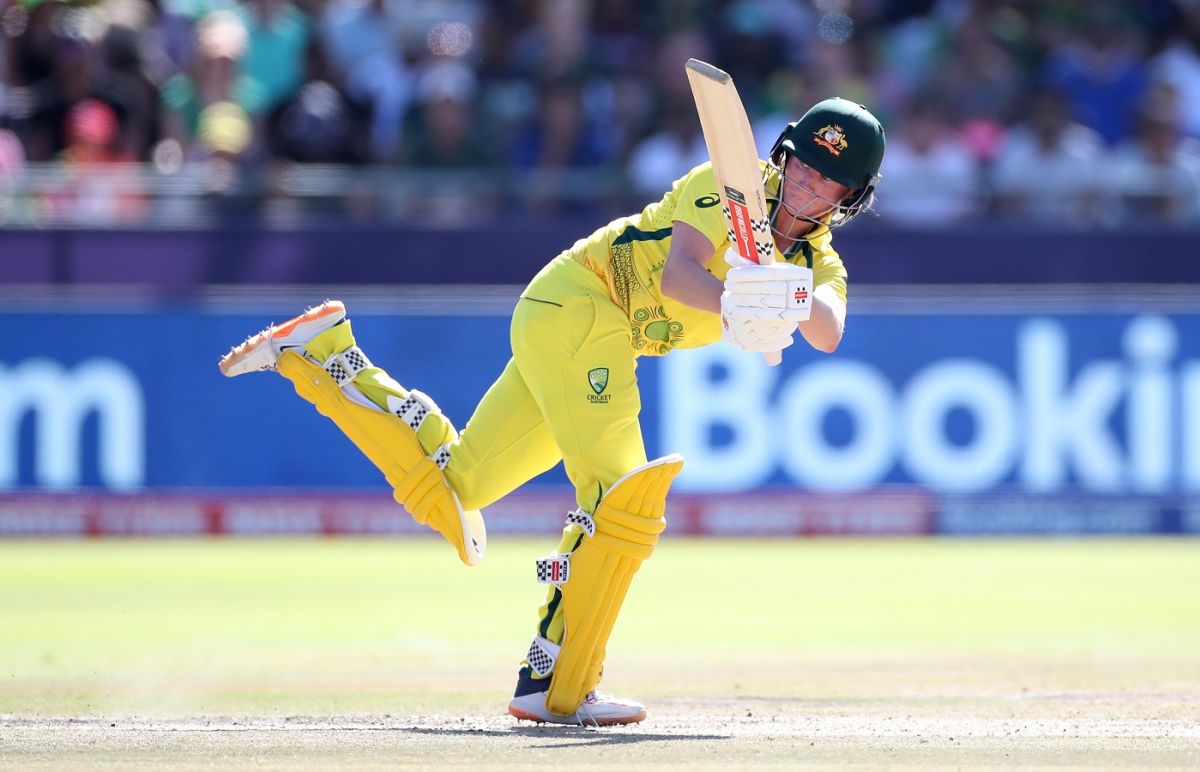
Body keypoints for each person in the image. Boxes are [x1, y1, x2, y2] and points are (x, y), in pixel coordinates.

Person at [218, 97, 885, 726]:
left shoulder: (813, 259)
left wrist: (785, 295)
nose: (805, 185)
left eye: (826, 181)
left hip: (583, 331)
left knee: (463, 484)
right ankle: (559, 682)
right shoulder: (727, 186)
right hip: (582, 306)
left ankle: (324, 355)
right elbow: (678, 276)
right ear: (783, 154)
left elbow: (829, 330)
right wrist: (740, 301)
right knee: (622, 498)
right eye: (803, 164)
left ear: (848, 199)